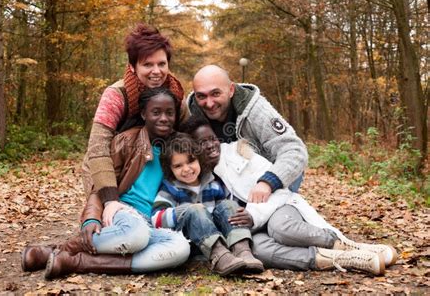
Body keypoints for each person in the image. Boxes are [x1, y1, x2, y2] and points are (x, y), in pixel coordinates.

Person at [181, 116, 398, 276]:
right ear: (191, 147)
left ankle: (350, 245)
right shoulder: (196, 176)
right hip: (251, 229)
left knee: (281, 229)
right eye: (201, 143)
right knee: (259, 251)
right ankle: (344, 258)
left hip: (278, 207)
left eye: (211, 139)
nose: (210, 145)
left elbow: (278, 191)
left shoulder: (240, 154)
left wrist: (253, 216)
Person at [21, 88, 190, 279]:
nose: (164, 118)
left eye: (170, 113)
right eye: (156, 112)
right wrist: (91, 218)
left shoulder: (179, 147)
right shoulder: (126, 142)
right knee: (137, 235)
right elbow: (101, 185)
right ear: (144, 114)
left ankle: (72, 261)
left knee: (181, 248)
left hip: (153, 222)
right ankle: (63, 248)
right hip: (122, 214)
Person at [82, 23, 185, 203]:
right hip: (113, 170)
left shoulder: (175, 97)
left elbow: (191, 137)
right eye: (147, 64)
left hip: (156, 173)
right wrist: (110, 200)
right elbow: (97, 149)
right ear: (132, 66)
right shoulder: (116, 95)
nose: (156, 71)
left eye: (162, 64)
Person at [151, 133, 264, 276]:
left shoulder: (213, 184)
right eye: (178, 166)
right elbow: (156, 219)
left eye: (190, 161)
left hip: (222, 239)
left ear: (199, 160)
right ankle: (219, 257)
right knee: (195, 210)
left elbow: (226, 212)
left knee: (228, 205)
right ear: (170, 169)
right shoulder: (170, 189)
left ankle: (242, 250)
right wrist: (184, 211)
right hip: (194, 243)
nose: (186, 169)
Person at [187, 64, 306, 198]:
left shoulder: (256, 110)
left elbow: (294, 150)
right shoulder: (191, 116)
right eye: (201, 96)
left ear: (231, 90)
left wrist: (268, 182)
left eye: (216, 93)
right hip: (228, 184)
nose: (209, 103)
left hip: (269, 177)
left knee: (271, 215)